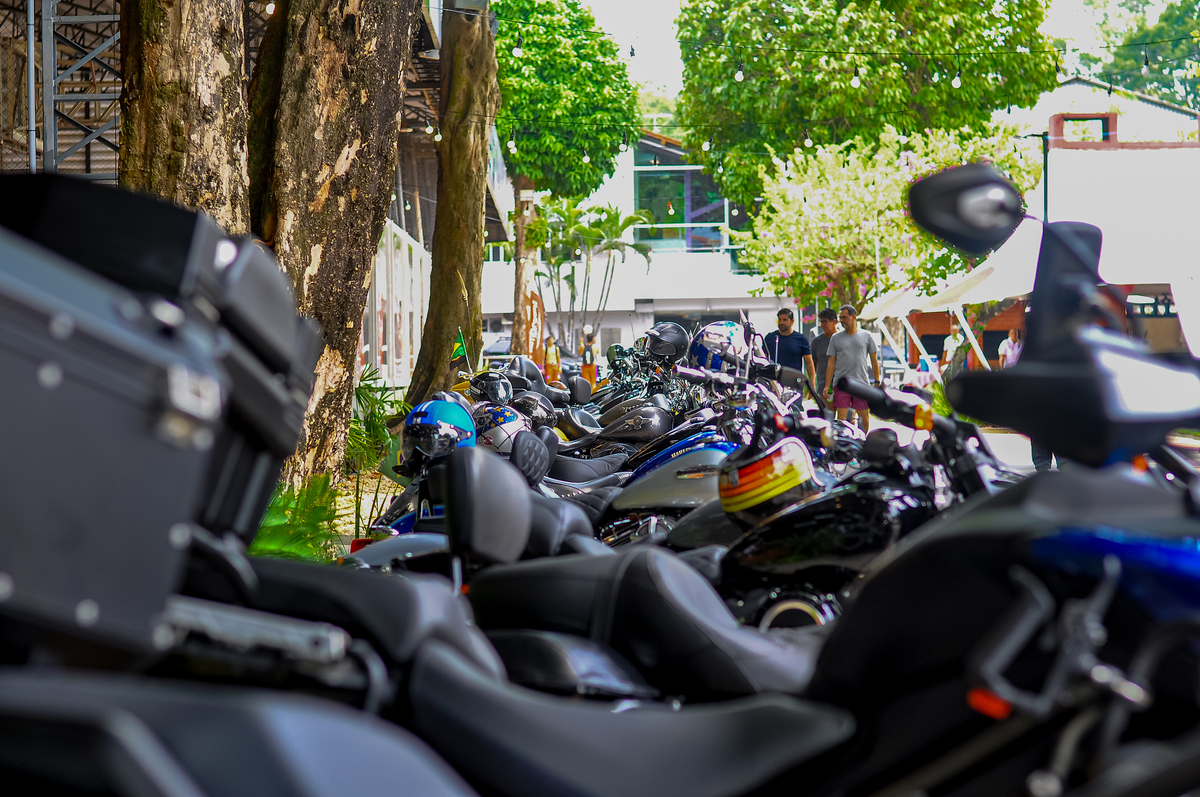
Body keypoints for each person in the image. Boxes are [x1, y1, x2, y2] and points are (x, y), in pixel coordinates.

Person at [824, 304, 880, 432]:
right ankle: (844, 441)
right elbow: (831, 362)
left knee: (864, 419)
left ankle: (863, 441)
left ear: (853, 317)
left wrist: (877, 381)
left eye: (844, 317)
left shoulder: (867, 336)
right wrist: (827, 385)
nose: (841, 320)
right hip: (841, 383)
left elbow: (874, 359)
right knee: (842, 418)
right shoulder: (836, 338)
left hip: (861, 383)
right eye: (840, 318)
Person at [763, 308, 817, 396]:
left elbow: (809, 362)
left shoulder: (801, 339)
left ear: (792, 321)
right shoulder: (770, 338)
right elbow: (762, 358)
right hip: (773, 383)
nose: (781, 322)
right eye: (780, 320)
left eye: (785, 320)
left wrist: (812, 384)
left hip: (794, 383)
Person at [809, 308, 839, 401]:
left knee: (843, 411)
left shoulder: (843, 339)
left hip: (842, 385)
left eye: (825, 321)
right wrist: (811, 384)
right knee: (827, 410)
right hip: (823, 386)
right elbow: (812, 364)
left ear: (834, 322)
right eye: (821, 322)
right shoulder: (816, 342)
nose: (822, 325)